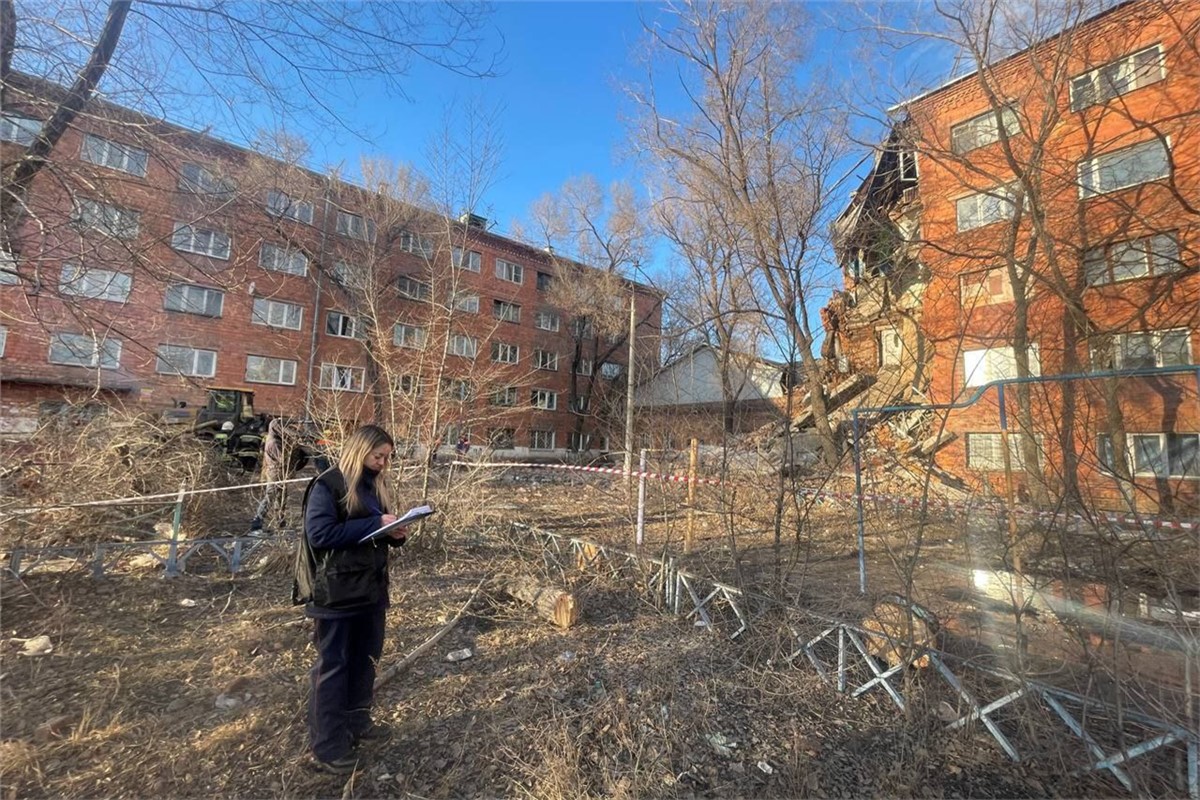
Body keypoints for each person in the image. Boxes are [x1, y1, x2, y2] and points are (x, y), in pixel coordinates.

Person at [292, 424, 408, 774]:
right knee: (333, 667)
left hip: (370, 590)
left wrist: (395, 534)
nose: (383, 463)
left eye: (387, 457)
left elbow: (374, 534)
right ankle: (327, 747)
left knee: (365, 660)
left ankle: (358, 723)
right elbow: (321, 533)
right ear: (360, 451)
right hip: (336, 595)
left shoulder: (374, 485)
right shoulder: (328, 485)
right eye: (378, 456)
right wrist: (373, 525)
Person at [252, 418, 289, 531]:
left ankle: (280, 522)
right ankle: (257, 522)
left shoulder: (274, 439)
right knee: (270, 496)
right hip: (275, 472)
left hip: (277, 472)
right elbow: (283, 458)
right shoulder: (273, 442)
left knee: (280, 498)